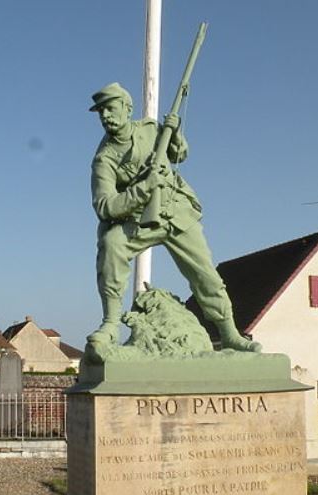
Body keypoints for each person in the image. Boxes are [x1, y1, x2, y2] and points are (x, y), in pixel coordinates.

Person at [86, 82, 260, 359]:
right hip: (139, 218)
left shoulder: (151, 130)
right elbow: (105, 207)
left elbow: (180, 155)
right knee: (111, 244)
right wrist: (144, 188)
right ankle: (110, 325)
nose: (106, 115)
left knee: (205, 274)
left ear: (127, 108)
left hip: (176, 211)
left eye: (110, 108)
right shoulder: (104, 159)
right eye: (101, 112)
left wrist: (176, 133)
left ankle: (229, 333)